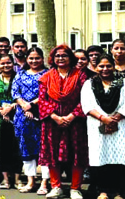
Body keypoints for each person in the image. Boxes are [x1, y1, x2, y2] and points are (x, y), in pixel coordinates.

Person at [38, 45, 88, 199]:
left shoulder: (80, 76)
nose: (60, 58)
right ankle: (56, 187)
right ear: (53, 58)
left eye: (64, 55)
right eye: (57, 56)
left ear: (70, 58)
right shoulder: (46, 77)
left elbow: (85, 99)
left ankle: (75, 188)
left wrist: (71, 116)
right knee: (52, 154)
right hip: (52, 122)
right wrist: (55, 117)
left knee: (76, 154)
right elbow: (42, 100)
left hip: (75, 122)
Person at [82, 54, 125, 199]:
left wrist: (115, 118)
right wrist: (103, 118)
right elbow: (87, 105)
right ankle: (102, 191)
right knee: (100, 158)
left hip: (120, 126)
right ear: (96, 67)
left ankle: (120, 193)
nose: (105, 69)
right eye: (101, 66)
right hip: (97, 126)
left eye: (108, 65)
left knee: (121, 158)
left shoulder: (124, 83)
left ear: (114, 66)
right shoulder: (89, 84)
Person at [13, 47, 49, 194]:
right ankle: (31, 181)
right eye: (31, 58)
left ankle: (45, 182)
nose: (34, 61)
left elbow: (48, 92)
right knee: (26, 149)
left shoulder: (48, 74)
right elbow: (15, 92)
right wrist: (23, 106)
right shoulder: (20, 74)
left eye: (37, 58)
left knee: (44, 149)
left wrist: (32, 105)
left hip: (42, 115)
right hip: (23, 117)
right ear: (27, 59)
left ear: (42, 58)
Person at [0, 53, 21, 190]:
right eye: (2, 63)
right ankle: (5, 179)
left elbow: (24, 95)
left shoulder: (19, 78)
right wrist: (0, 109)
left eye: (8, 62)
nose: (6, 65)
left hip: (17, 117)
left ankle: (18, 179)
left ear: (13, 63)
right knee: (2, 149)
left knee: (17, 148)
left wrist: (13, 107)